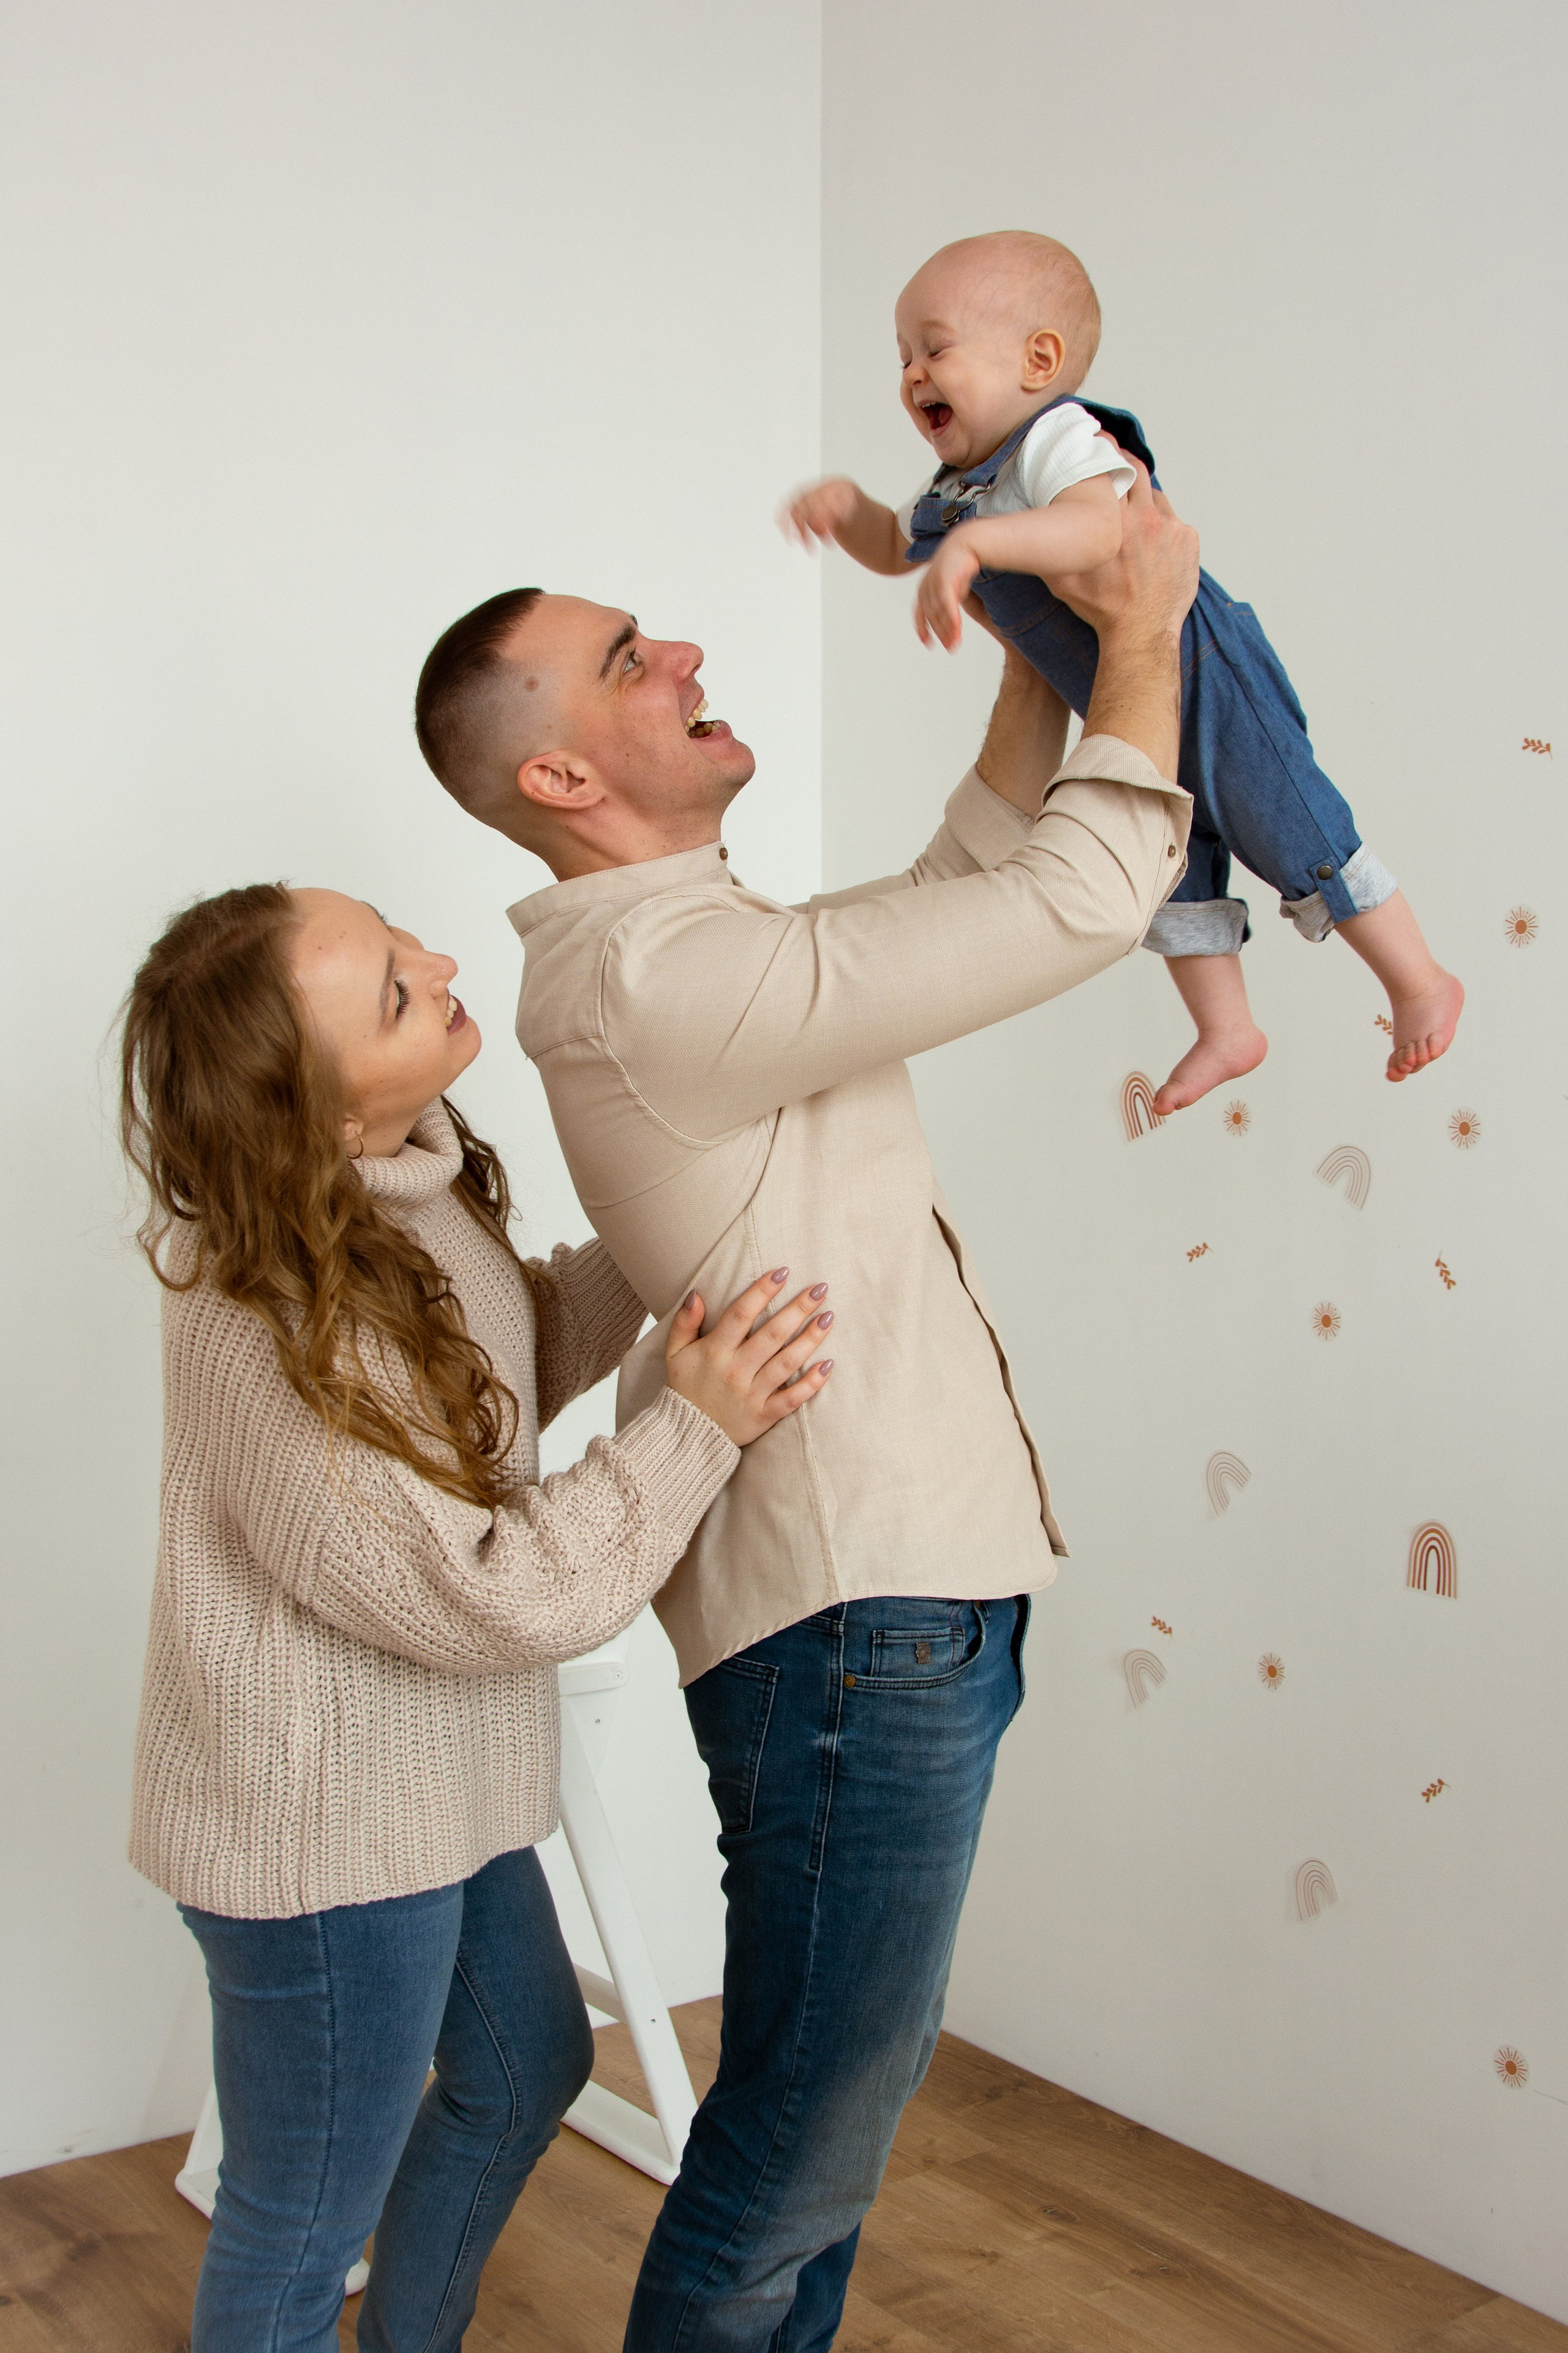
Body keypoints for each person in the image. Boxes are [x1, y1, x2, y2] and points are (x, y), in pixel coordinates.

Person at [413, 464, 1193, 2352]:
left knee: (826, 2123)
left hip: (889, 1609)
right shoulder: (655, 975)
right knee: (798, 2144)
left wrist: (1039, 648)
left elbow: (944, 902)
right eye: (628, 658)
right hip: (858, 1624)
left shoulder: (685, 952)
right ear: (562, 774)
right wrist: (1146, 627)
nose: (683, 648)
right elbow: (1087, 895)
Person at [120, 880, 836, 2353]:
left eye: (401, 943)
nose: (441, 964)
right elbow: (493, 1590)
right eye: (396, 990)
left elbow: (495, 1364)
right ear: (318, 1116)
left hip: (424, 1793)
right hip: (319, 1838)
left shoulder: (403, 1185)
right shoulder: (271, 1318)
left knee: (520, 2070)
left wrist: (670, 1220)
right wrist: (694, 1430)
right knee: (297, 2223)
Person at [783, 228, 1463, 1112]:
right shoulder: (957, 488)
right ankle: (1228, 1029)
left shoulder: (1056, 440)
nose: (912, 374)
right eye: (902, 356)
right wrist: (849, 511)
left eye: (935, 348)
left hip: (1201, 667)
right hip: (1127, 699)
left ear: (1039, 360)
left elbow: (1097, 527)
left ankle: (1419, 980)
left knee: (1290, 822)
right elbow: (892, 545)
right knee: (1167, 855)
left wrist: (977, 549)